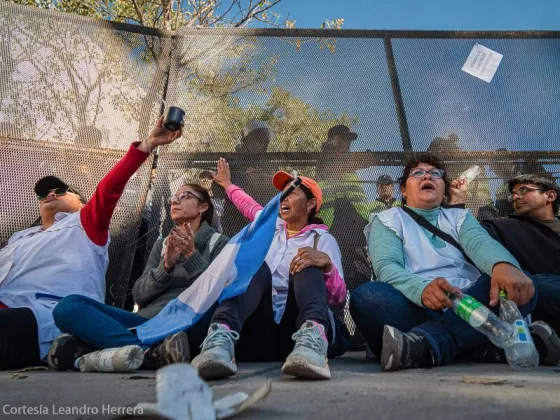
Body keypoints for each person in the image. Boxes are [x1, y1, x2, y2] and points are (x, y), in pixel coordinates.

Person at [0, 116, 182, 370]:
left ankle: (144, 350)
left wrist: (147, 145)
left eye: (61, 191)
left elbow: (108, 190)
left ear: (83, 204)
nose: (51, 194)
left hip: (43, 316)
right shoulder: (18, 240)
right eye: (44, 194)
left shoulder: (83, 224)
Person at [349, 153, 538, 371]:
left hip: (472, 304)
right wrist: (421, 290)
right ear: (403, 189)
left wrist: (502, 265)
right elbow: (387, 268)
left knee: (519, 280)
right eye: (418, 173)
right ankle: (478, 346)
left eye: (435, 174)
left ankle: (424, 345)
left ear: (444, 189)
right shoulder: (388, 219)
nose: (427, 176)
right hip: (416, 305)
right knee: (368, 297)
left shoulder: (459, 217)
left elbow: (480, 243)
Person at [190, 158, 348, 380]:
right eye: (282, 193)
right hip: (258, 333)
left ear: (310, 204)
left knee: (307, 261)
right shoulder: (270, 226)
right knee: (254, 266)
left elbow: (339, 299)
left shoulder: (322, 239)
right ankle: (220, 340)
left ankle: (313, 345)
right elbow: (248, 205)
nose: (283, 198)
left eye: (292, 193)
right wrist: (227, 185)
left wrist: (327, 267)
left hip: (295, 332)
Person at [49, 183, 228, 371]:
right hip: (146, 322)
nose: (174, 201)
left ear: (203, 207)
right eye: (173, 198)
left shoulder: (218, 242)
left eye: (185, 196)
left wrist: (191, 256)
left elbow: (217, 290)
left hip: (187, 322)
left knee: (202, 320)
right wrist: (166, 267)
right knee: (67, 307)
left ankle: (95, 348)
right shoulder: (163, 245)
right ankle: (149, 353)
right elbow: (139, 296)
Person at [451, 174, 560, 365]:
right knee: (533, 283)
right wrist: (457, 202)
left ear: (550, 196)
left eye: (523, 190)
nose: (515, 197)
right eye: (513, 194)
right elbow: (468, 236)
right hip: (540, 296)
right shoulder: (504, 226)